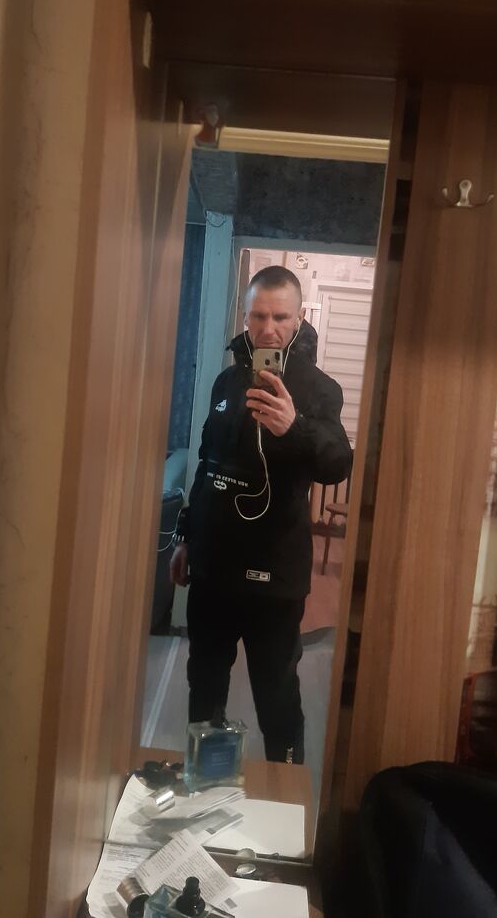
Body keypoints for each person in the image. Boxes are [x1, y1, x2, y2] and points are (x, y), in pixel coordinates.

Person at [169, 266, 352, 764]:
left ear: (299, 319)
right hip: (213, 568)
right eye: (258, 316)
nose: (268, 328)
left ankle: (283, 788)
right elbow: (207, 462)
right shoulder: (227, 381)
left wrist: (294, 427)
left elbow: (338, 464)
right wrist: (185, 536)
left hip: (275, 576)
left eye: (280, 317)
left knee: (276, 692)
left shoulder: (319, 389)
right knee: (205, 683)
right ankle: (207, 780)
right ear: (245, 316)